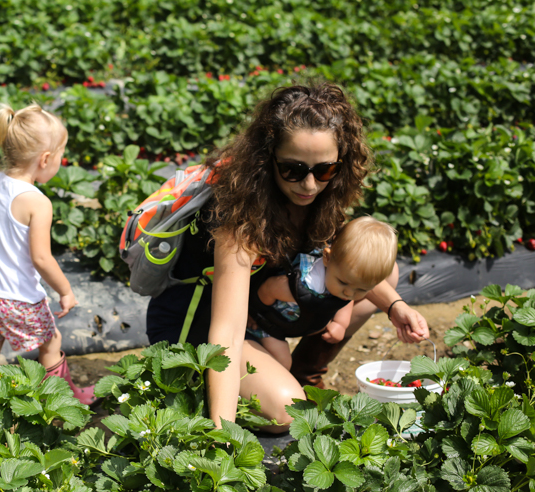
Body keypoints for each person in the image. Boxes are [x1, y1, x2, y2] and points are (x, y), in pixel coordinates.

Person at [145, 83, 429, 432]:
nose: (309, 184)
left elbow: (347, 265)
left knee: (381, 278)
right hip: (201, 325)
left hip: (258, 314)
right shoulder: (239, 218)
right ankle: (229, 389)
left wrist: (396, 305)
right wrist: (221, 434)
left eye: (324, 170)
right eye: (293, 169)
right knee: (287, 414)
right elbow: (226, 334)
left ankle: (304, 373)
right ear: (268, 160)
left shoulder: (320, 200)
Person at [0, 104, 95, 405]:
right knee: (51, 341)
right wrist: (65, 291)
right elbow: (41, 258)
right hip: (16, 297)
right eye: (60, 155)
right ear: (45, 159)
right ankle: (62, 403)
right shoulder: (37, 202)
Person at [247, 216, 397, 371]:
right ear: (326, 258)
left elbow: (345, 300)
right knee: (283, 363)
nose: (349, 292)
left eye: (361, 289)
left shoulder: (344, 283)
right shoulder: (302, 285)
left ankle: (307, 372)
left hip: (298, 321)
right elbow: (268, 289)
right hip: (269, 324)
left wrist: (340, 323)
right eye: (343, 283)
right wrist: (255, 313)